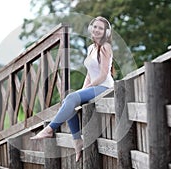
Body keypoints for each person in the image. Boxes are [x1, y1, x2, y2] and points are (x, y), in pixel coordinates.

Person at [30, 16, 114, 162]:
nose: (97, 30)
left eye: (101, 28)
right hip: (95, 86)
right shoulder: (91, 48)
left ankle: (49, 129)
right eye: (95, 26)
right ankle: (77, 141)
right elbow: (89, 74)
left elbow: (103, 74)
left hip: (105, 87)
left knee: (71, 98)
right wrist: (81, 92)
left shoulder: (106, 47)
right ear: (91, 28)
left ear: (106, 32)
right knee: (70, 101)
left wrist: (86, 89)